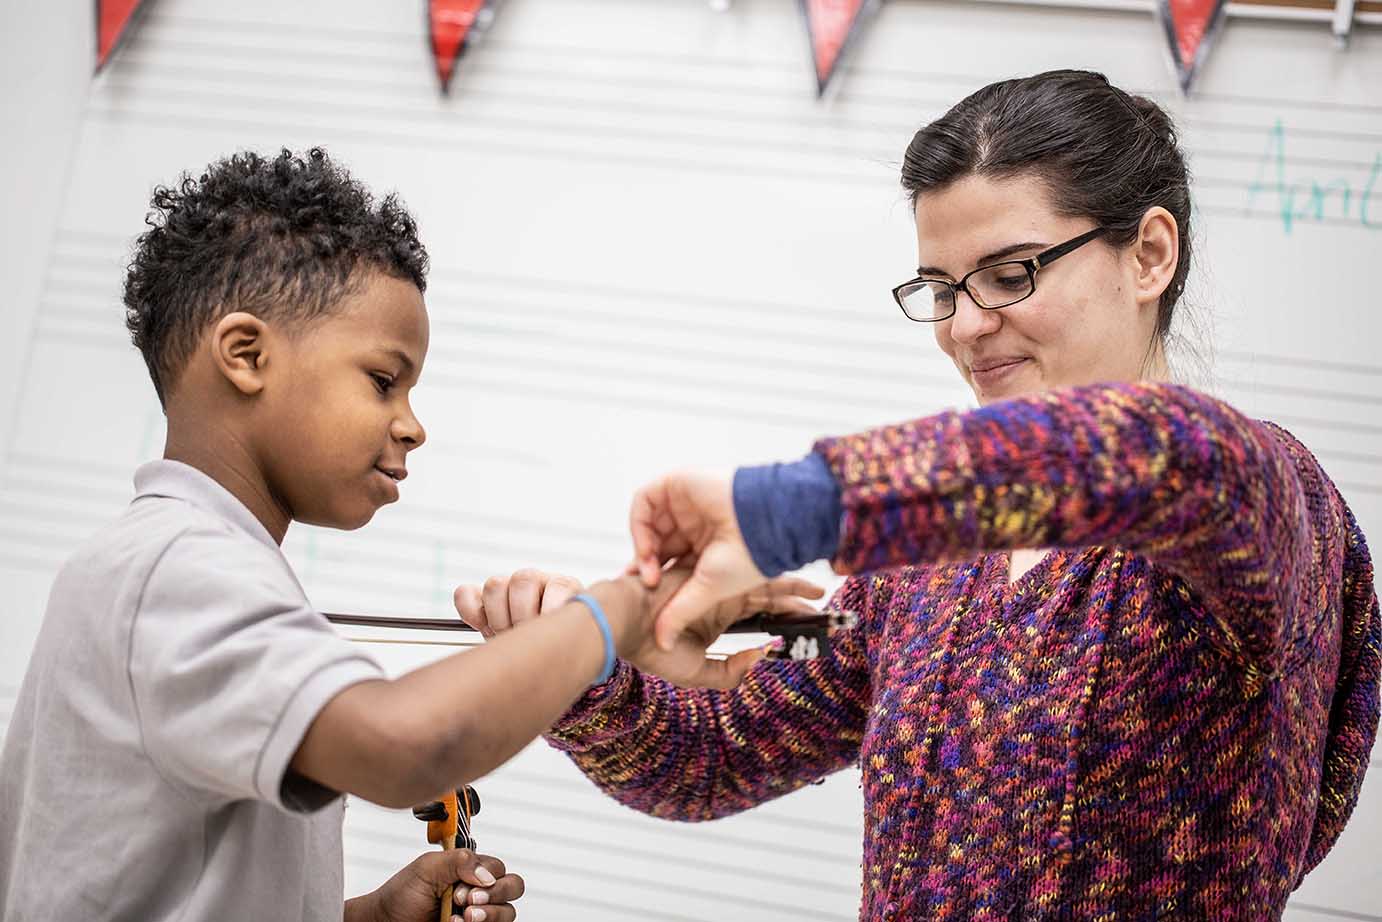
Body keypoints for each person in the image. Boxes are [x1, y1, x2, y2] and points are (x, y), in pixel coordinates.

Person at [457, 71, 1381, 920]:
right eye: (941, 288)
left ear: (1148, 255)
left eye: (1012, 274)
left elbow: (1158, 449)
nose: (968, 328)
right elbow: (715, 757)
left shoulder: (1260, 497)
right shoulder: (937, 555)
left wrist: (790, 509)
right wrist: (583, 667)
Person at [0, 148, 816, 922]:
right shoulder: (178, 569)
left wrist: (358, 915)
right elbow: (400, 746)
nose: (413, 426)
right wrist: (616, 613)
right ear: (246, 355)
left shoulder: (191, 564)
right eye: (384, 380)